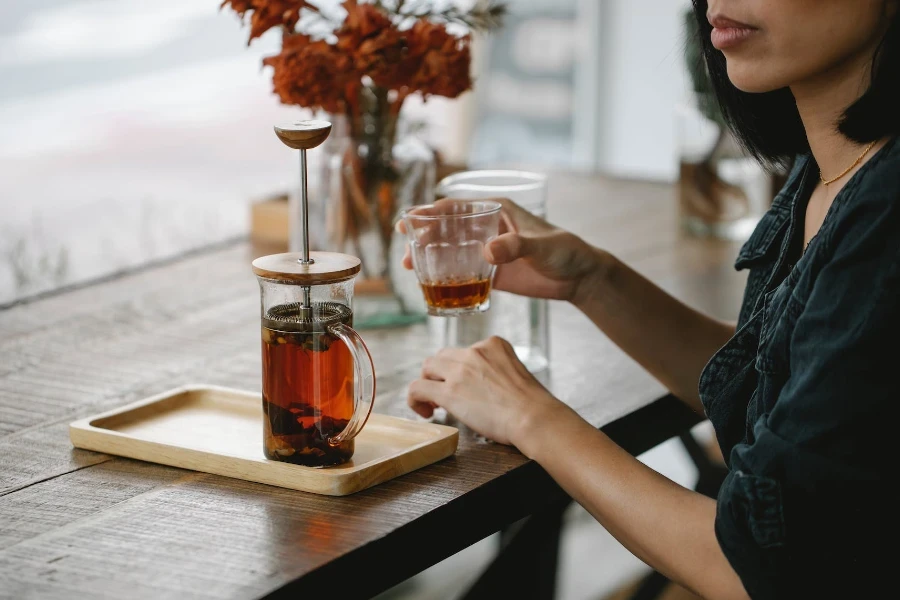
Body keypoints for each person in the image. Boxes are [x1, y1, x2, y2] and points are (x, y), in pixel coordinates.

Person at [399, 1, 899, 598]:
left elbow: (759, 571)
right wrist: (590, 280)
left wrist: (529, 416)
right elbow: (788, 392)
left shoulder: (885, 212)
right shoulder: (834, 165)